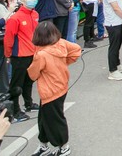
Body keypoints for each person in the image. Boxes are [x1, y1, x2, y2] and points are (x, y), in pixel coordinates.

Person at [27, 21, 82, 156]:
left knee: (55, 120)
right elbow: (76, 50)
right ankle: (44, 145)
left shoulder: (41, 54)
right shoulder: (61, 43)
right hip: (61, 85)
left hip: (49, 91)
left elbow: (33, 74)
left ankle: (64, 146)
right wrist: (65, 63)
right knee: (45, 118)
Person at [3, 0, 39, 123]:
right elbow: (8, 38)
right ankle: (15, 110)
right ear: (22, 0)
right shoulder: (16, 18)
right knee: (16, 85)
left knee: (29, 81)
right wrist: (8, 55)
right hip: (19, 56)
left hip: (33, 53)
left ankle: (29, 104)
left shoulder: (35, 14)